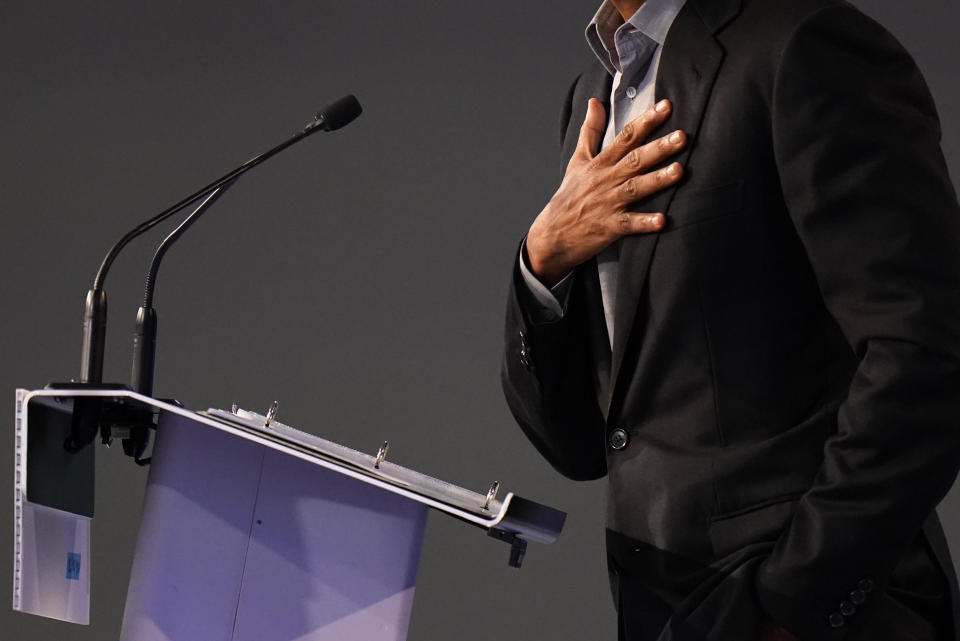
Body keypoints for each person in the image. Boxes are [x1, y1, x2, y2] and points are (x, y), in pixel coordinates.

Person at [500, 0, 960, 639]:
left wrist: (791, 603)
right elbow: (580, 442)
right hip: (666, 613)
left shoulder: (805, 44)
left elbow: (927, 351)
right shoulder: (595, 101)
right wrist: (542, 258)